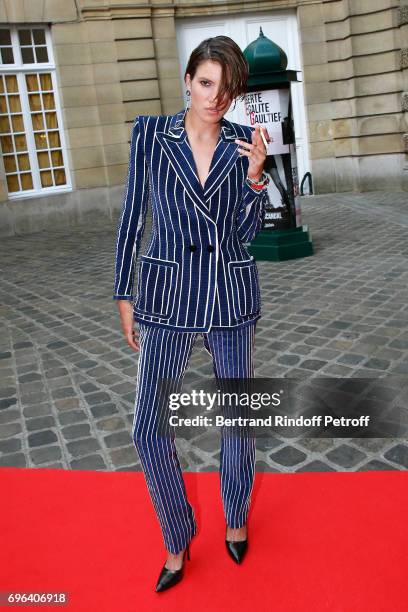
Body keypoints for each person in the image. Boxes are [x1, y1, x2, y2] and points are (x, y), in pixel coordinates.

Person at [113, 35, 271, 592]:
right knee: (147, 426)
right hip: (167, 298)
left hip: (228, 298)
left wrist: (255, 180)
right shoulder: (152, 136)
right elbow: (134, 214)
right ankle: (177, 538)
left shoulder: (240, 144)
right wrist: (122, 292)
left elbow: (245, 236)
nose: (214, 98)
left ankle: (235, 515)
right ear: (187, 79)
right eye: (206, 83)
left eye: (225, 89)